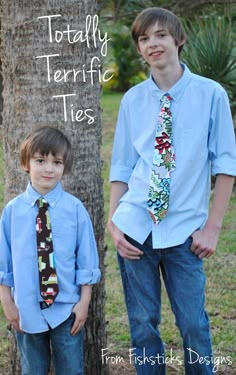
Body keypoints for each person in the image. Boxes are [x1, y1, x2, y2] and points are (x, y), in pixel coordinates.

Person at [108, 7, 236, 375]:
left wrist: (212, 227)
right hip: (136, 227)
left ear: (178, 39)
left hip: (184, 231)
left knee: (194, 325)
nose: (152, 44)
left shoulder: (211, 95)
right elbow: (121, 167)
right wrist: (115, 224)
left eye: (160, 35)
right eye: (144, 38)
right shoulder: (133, 99)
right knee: (143, 325)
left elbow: (226, 164)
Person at [0, 126, 101, 375]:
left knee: (71, 369)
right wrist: (7, 301)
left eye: (57, 162)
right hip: (26, 307)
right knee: (33, 370)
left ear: (64, 166)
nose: (49, 168)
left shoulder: (75, 209)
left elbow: (86, 257)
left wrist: (85, 300)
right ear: (26, 163)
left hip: (67, 308)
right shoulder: (12, 212)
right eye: (40, 160)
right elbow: (4, 260)